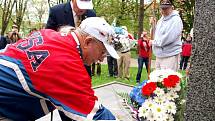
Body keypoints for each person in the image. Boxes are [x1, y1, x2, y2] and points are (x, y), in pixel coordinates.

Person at [0, 17, 118, 121]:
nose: (102, 59)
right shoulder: (67, 62)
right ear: (88, 41)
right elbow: (94, 114)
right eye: (102, 52)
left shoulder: (49, 34)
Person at [149, 0, 183, 71]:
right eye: (162, 8)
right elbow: (156, 35)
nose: (164, 10)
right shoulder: (161, 20)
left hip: (170, 55)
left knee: (167, 80)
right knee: (157, 80)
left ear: (171, 8)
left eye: (166, 8)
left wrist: (153, 42)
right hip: (159, 55)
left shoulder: (176, 20)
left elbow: (168, 38)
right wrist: (153, 25)